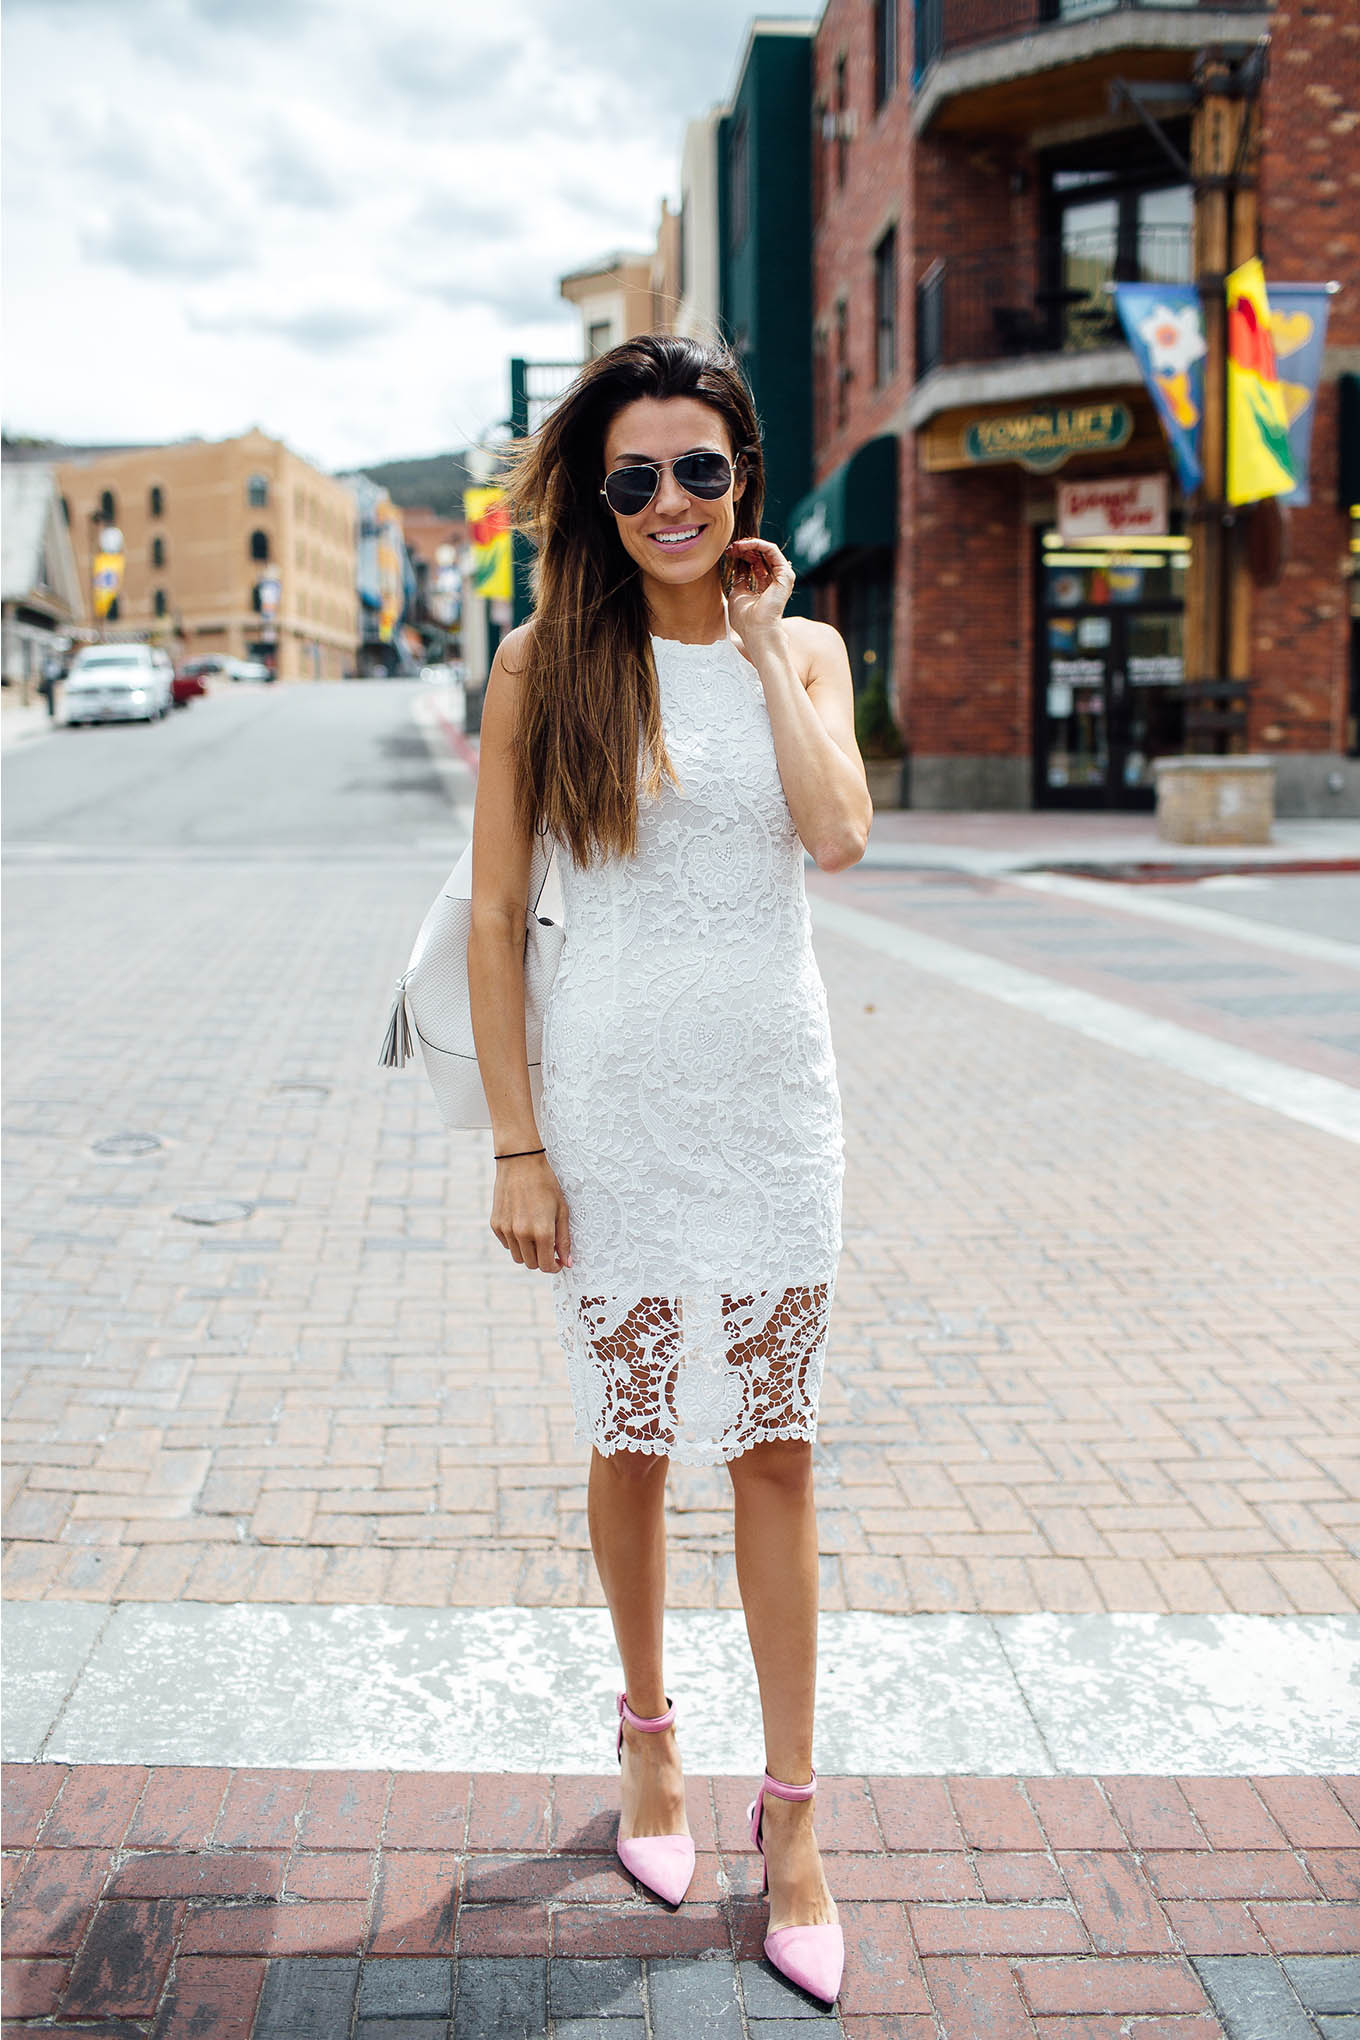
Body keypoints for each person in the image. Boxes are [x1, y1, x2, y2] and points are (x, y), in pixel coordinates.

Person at [467, 334, 871, 2004]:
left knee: (772, 1454)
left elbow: (837, 833)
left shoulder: (817, 647)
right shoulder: (545, 661)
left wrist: (768, 649)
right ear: (597, 498)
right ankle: (649, 1742)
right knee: (633, 1445)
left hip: (773, 1115)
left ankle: (791, 1821)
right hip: (613, 1119)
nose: (667, 503)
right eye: (629, 477)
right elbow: (498, 920)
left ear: (742, 480)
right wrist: (519, 1147)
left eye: (696, 469)